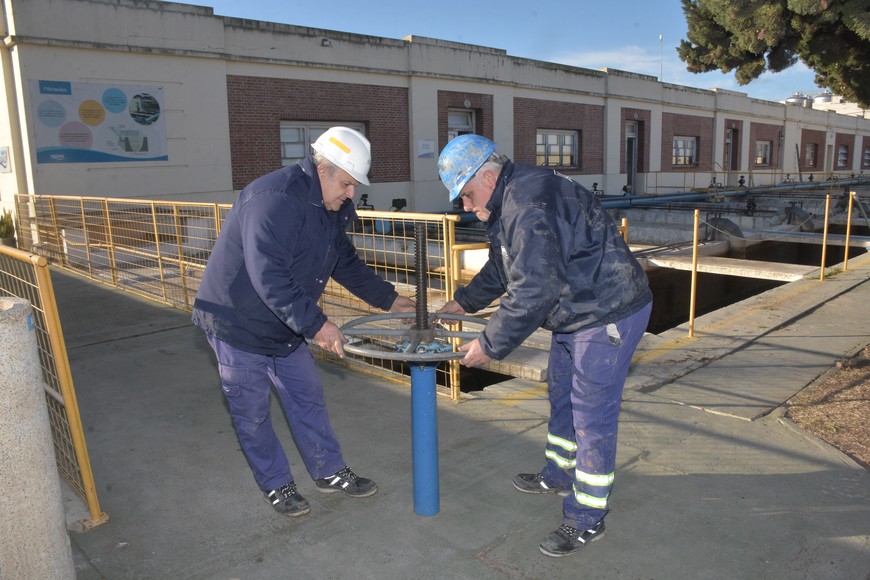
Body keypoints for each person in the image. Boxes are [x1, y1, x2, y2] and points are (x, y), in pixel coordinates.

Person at [436, 134, 652, 557]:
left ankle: (586, 518)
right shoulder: (504, 201)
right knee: (561, 395)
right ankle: (557, 474)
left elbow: (535, 287)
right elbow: (503, 269)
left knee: (592, 416)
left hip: (607, 312)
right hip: (575, 313)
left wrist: (490, 344)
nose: (463, 205)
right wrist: (462, 302)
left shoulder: (528, 205)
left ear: (488, 174)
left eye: (465, 193)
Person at [192, 126, 415, 517]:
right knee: (253, 412)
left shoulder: (333, 206)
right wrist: (316, 325)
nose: (351, 194)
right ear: (323, 168)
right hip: (238, 323)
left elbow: (344, 262)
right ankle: (277, 485)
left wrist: (393, 300)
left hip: (286, 321)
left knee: (307, 397)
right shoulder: (273, 200)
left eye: (354, 186)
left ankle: (329, 471)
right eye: (346, 183)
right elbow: (269, 276)